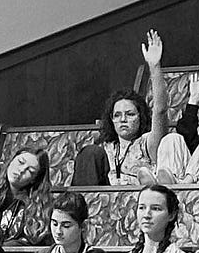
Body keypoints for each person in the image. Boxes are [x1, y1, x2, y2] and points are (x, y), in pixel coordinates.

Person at [71, 32, 170, 186]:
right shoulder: (104, 148)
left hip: (138, 201)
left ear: (141, 116)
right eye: (117, 115)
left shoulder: (147, 143)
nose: (123, 119)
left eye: (130, 114)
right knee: (90, 152)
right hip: (101, 200)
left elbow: (160, 110)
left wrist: (155, 67)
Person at [0, 147, 52, 245]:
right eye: (21, 162)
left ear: (34, 179)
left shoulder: (38, 206)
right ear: (11, 160)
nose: (22, 170)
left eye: (30, 171)